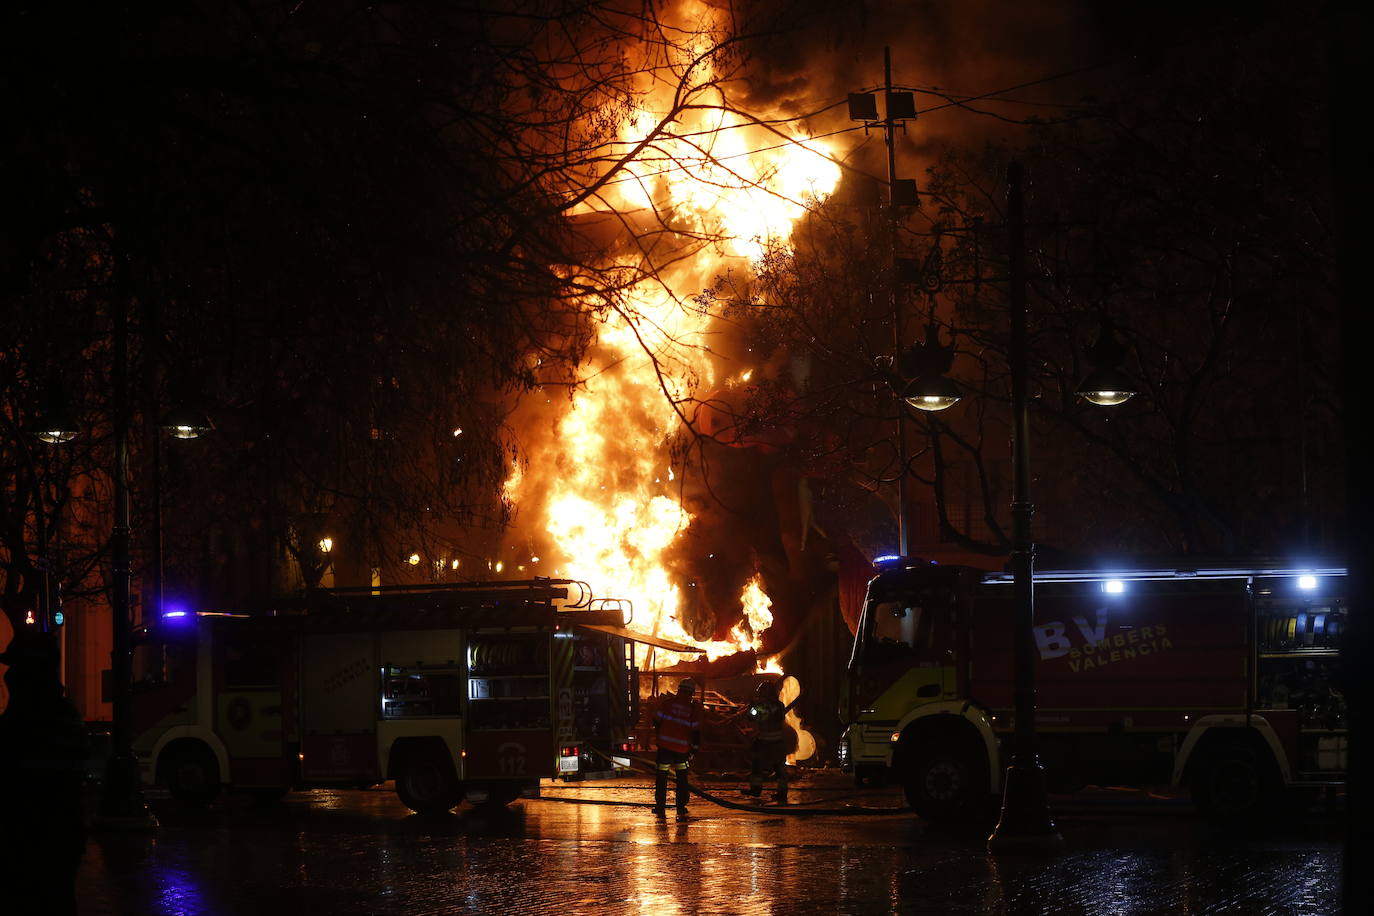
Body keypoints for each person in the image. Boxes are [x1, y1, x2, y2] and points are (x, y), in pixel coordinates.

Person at [0, 629, 91, 916]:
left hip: (36, 848)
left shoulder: (37, 722)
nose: (8, 677)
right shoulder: (57, 717)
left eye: (14, 668)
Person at [652, 678, 702, 814]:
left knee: (662, 777)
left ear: (679, 690)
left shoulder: (667, 703)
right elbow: (696, 731)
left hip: (664, 747)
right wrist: (695, 748)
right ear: (692, 693)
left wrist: (660, 733)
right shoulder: (692, 710)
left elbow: (656, 719)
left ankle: (660, 806)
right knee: (682, 778)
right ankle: (680, 806)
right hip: (682, 750)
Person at [743, 678, 797, 804]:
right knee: (762, 766)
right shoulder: (777, 705)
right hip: (770, 742)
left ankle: (776, 793)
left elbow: (756, 716)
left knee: (775, 768)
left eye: (761, 694)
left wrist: (754, 708)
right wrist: (752, 708)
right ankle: (768, 791)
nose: (760, 696)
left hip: (770, 742)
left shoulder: (773, 706)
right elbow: (751, 717)